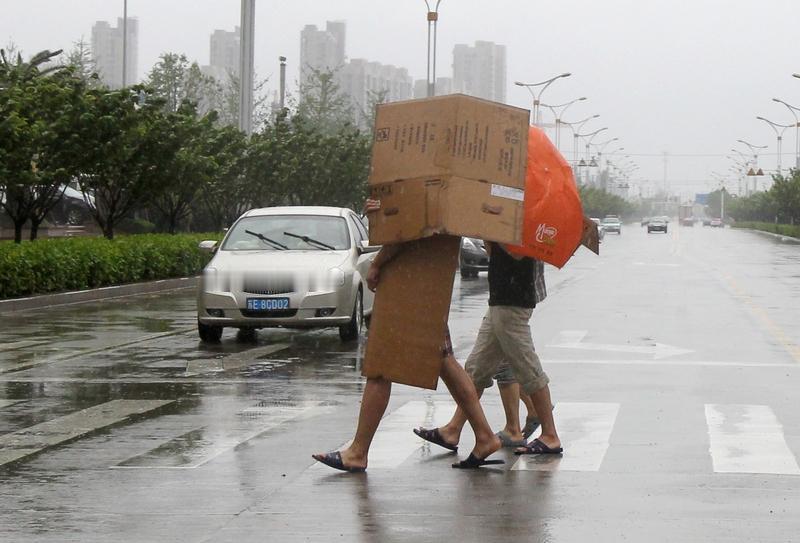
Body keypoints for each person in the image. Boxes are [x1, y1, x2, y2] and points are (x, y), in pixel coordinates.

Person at [312, 203, 503, 472]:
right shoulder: (448, 186)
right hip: (430, 277)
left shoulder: (423, 177)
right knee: (444, 359)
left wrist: (378, 261)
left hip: (408, 278)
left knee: (380, 367)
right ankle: (483, 436)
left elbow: (408, 227)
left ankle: (358, 451)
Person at [414, 242, 563, 456]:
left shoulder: (523, 217)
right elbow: (495, 254)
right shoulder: (506, 215)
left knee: (527, 367)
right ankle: (453, 430)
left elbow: (518, 253)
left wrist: (494, 233)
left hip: (514, 301)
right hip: (499, 299)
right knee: (477, 368)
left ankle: (550, 435)